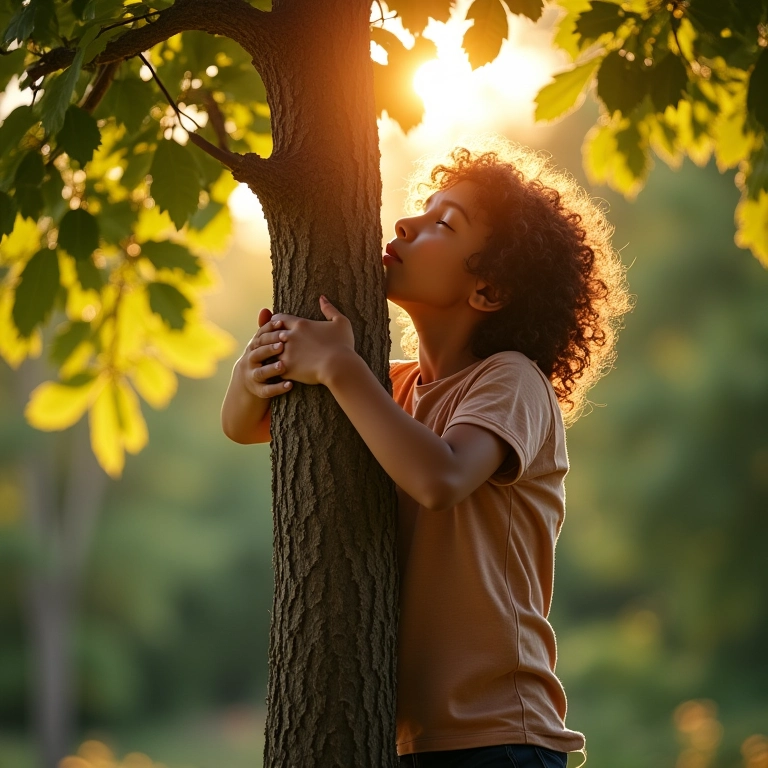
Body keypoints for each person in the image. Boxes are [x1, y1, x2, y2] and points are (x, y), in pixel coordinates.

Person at [221, 141, 632, 767]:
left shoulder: (513, 381)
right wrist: (254, 373)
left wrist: (338, 366)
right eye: (423, 210)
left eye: (444, 224)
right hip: (408, 741)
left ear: (488, 289)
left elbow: (440, 476)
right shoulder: (394, 388)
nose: (406, 225)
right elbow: (246, 427)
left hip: (502, 736)